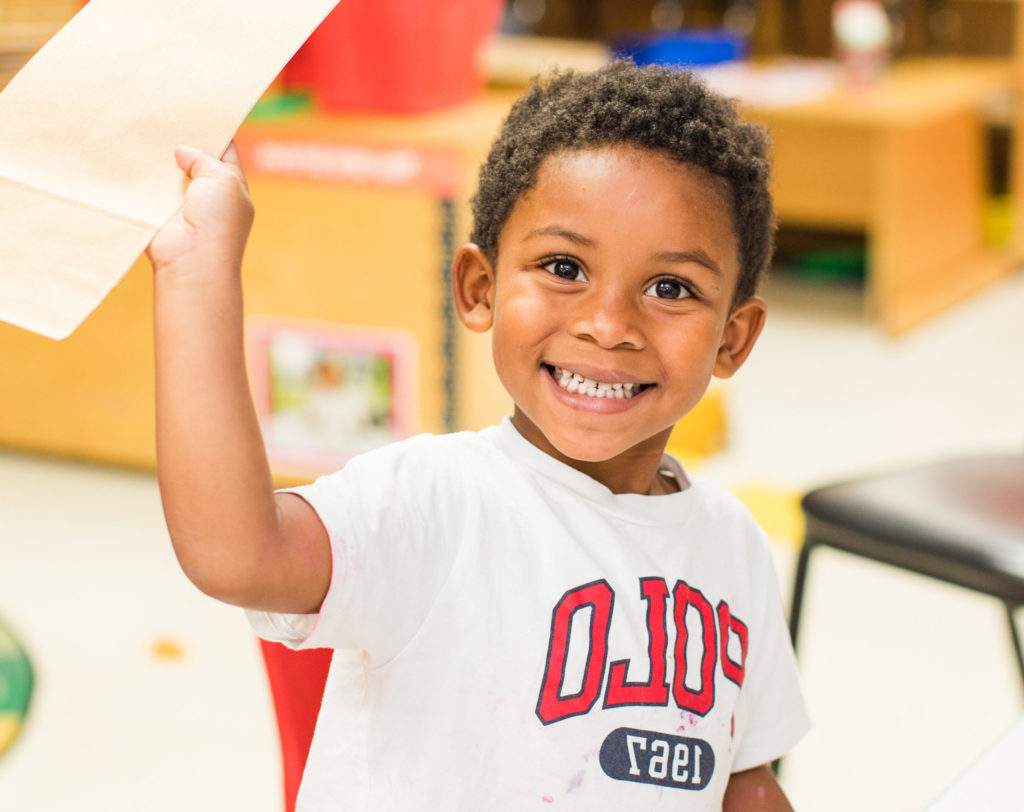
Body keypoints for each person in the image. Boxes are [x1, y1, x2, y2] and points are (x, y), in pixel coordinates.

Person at [147, 62, 809, 810]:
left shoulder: (733, 545)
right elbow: (236, 553)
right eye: (565, 268)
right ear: (478, 289)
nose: (608, 324)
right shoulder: (437, 499)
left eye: (671, 289)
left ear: (734, 337)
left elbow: (744, 781)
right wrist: (197, 270)